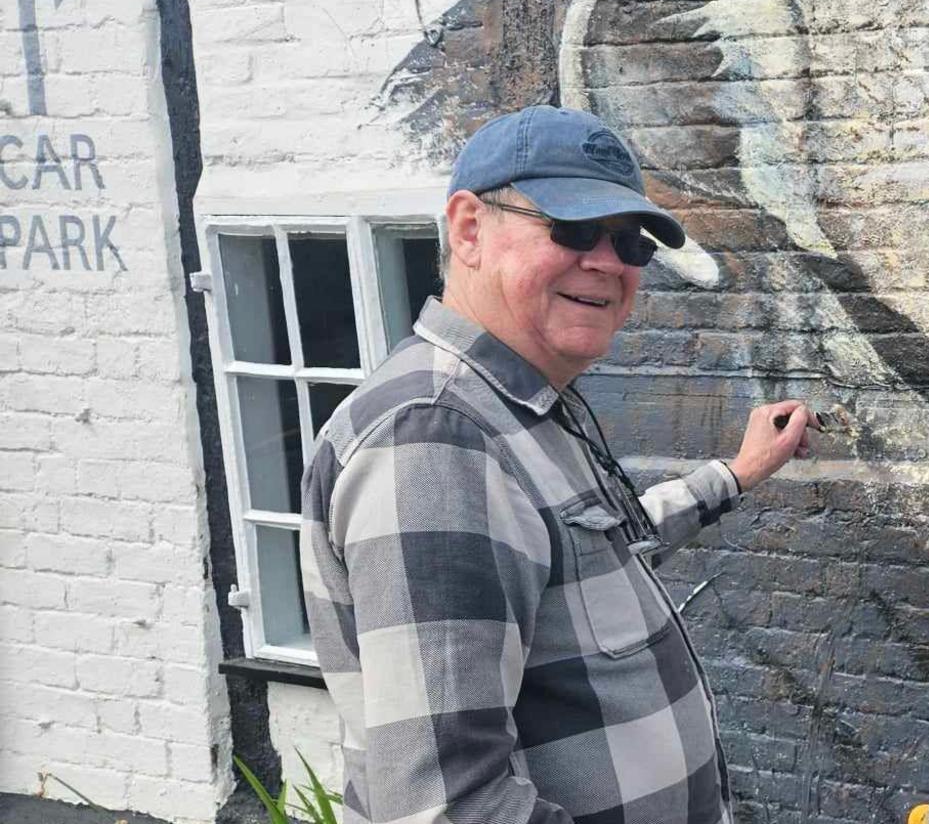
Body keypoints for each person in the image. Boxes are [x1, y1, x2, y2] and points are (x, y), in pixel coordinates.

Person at [299, 105, 816, 824]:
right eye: (571, 230)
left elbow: (594, 554)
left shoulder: (516, 404)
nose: (606, 262)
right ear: (470, 230)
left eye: (628, 243)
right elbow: (448, 807)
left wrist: (737, 472)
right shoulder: (435, 440)